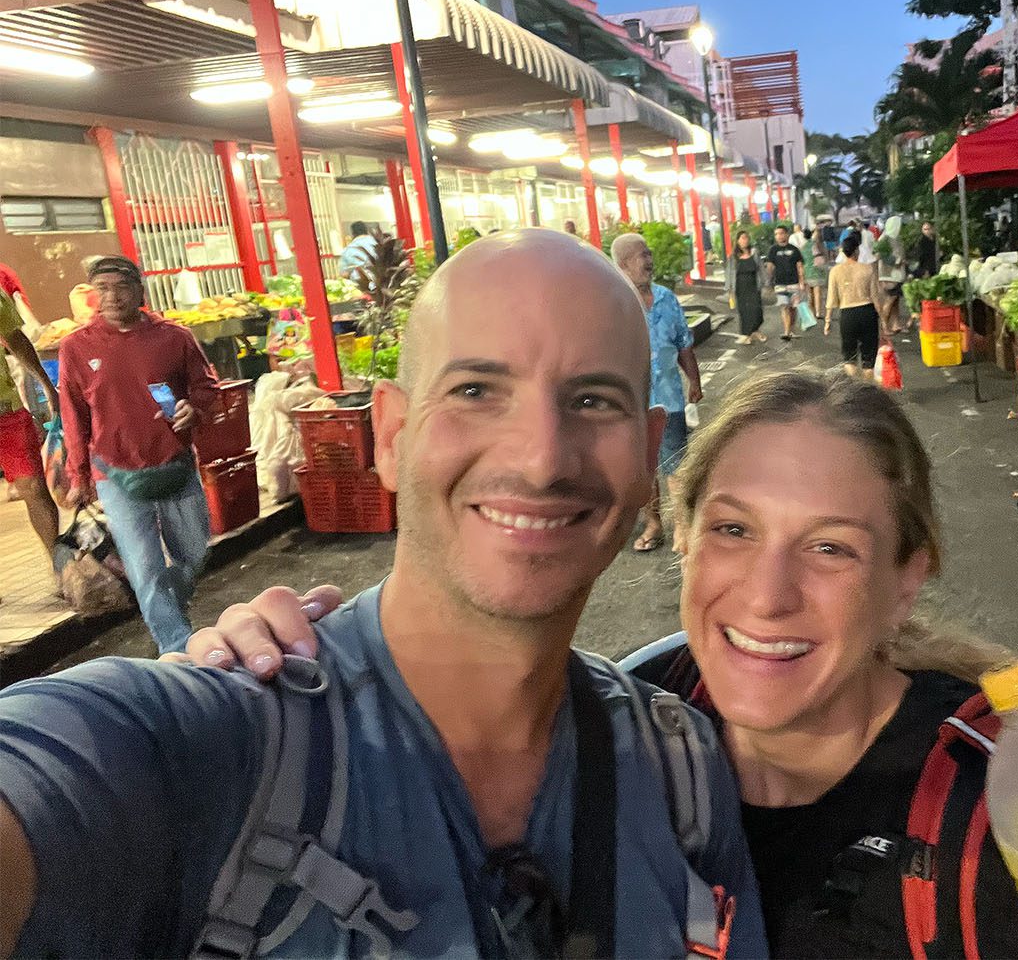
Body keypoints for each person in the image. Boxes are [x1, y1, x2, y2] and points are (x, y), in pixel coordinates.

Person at [194, 370, 1018, 960]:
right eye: (731, 531)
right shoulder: (627, 719)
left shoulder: (1008, 814)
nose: (764, 598)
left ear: (909, 574)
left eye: (829, 548)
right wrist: (265, 681)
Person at [0, 232, 766, 959]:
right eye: (475, 389)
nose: (540, 458)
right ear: (392, 435)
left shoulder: (681, 767)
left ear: (646, 447)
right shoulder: (211, 745)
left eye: (594, 400)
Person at [56, 256, 216, 653]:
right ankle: (175, 646)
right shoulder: (76, 347)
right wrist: (79, 475)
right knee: (144, 568)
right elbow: (72, 413)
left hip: (174, 464)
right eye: (102, 288)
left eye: (120, 286)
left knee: (193, 554)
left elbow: (207, 386)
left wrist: (193, 407)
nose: (111, 296)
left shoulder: (174, 337)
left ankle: (168, 609)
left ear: (140, 291)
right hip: (113, 473)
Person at [611, 233, 703, 553]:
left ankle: (681, 526)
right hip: (631, 403)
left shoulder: (666, 298)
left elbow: (683, 344)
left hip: (670, 398)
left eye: (649, 253)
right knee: (646, 471)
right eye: (641, 255)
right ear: (623, 265)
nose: (649, 260)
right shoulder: (613, 304)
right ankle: (654, 524)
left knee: (676, 464)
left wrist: (695, 380)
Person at [0, 287, 60, 563]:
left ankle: (61, 569)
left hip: (6, 409)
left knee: (34, 488)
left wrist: (47, 387)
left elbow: (15, 339)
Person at [824, 234, 885, 379]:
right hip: (867, 312)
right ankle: (866, 388)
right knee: (869, 357)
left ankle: (853, 387)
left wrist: (827, 321)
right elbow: (876, 297)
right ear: (857, 251)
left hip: (847, 314)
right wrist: (883, 320)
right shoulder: (868, 269)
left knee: (849, 356)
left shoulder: (835, 271)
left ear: (843, 252)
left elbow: (831, 298)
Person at [764, 225, 806, 342]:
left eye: (781, 233)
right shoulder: (773, 250)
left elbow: (800, 266)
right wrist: (768, 281)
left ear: (787, 234)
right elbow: (770, 266)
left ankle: (791, 329)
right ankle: (786, 331)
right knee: (784, 307)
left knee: (793, 308)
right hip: (780, 283)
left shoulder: (794, 249)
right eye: (776, 234)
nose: (779, 236)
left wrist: (802, 281)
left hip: (794, 282)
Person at [732, 230, 767, 345]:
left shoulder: (754, 252)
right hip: (740, 287)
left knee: (757, 310)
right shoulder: (734, 257)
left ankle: (754, 331)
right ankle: (746, 334)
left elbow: (761, 268)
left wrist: (765, 283)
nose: (744, 240)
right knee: (744, 311)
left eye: (746, 238)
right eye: (742, 238)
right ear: (737, 241)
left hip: (753, 286)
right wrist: (729, 290)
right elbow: (730, 274)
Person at [878, 212, 907, 333]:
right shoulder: (884, 239)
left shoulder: (896, 237)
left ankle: (896, 324)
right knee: (890, 299)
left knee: (896, 301)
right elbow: (882, 255)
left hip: (897, 274)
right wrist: (898, 261)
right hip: (888, 274)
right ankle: (884, 325)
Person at [802, 219, 829, 320]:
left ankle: (812, 312)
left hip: (807, 272)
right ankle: (818, 312)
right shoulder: (816, 243)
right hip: (817, 271)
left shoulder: (802, 247)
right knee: (818, 293)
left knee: (810, 294)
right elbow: (824, 254)